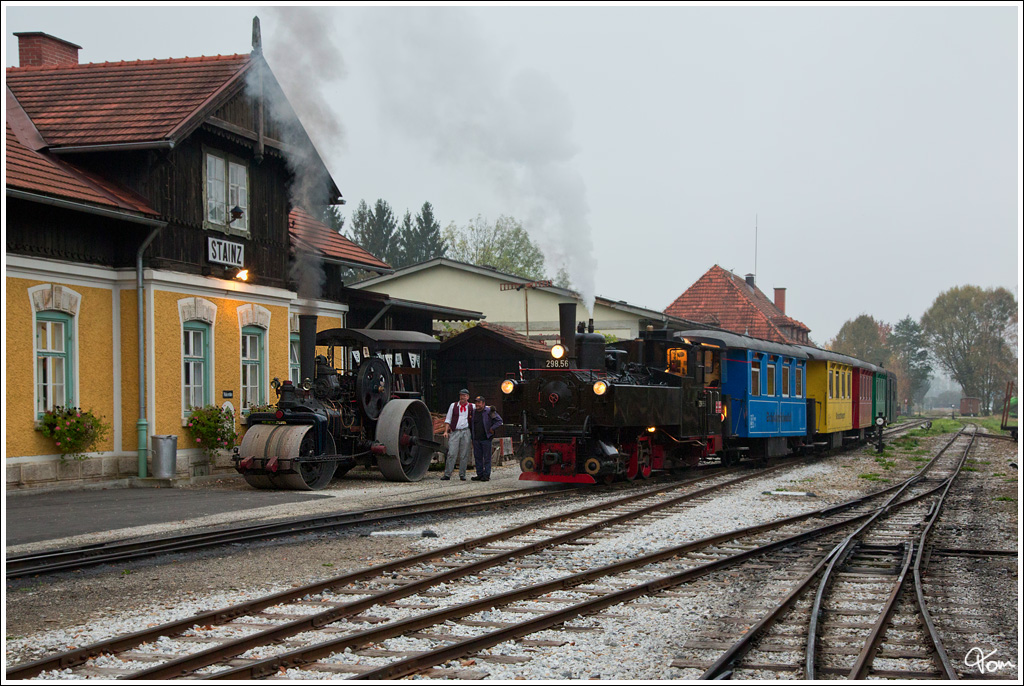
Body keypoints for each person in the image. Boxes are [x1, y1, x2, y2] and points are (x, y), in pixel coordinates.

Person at [442, 388, 473, 481]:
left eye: (464, 395)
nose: (462, 397)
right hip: (455, 431)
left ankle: (462, 474)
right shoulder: (453, 405)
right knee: (451, 453)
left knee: (464, 454)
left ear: (468, 397)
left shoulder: (471, 406)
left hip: (466, 431)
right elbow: (448, 419)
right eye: (461, 395)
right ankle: (447, 474)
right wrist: (445, 431)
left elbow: (482, 408)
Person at [470, 395, 503, 482]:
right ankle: (480, 474)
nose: (477, 404)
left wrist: (492, 428)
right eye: (476, 402)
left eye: (479, 402)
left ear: (483, 403)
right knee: (477, 457)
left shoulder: (489, 411)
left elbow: (499, 421)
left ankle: (486, 475)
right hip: (476, 438)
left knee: (487, 457)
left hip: (486, 438)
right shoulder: (473, 412)